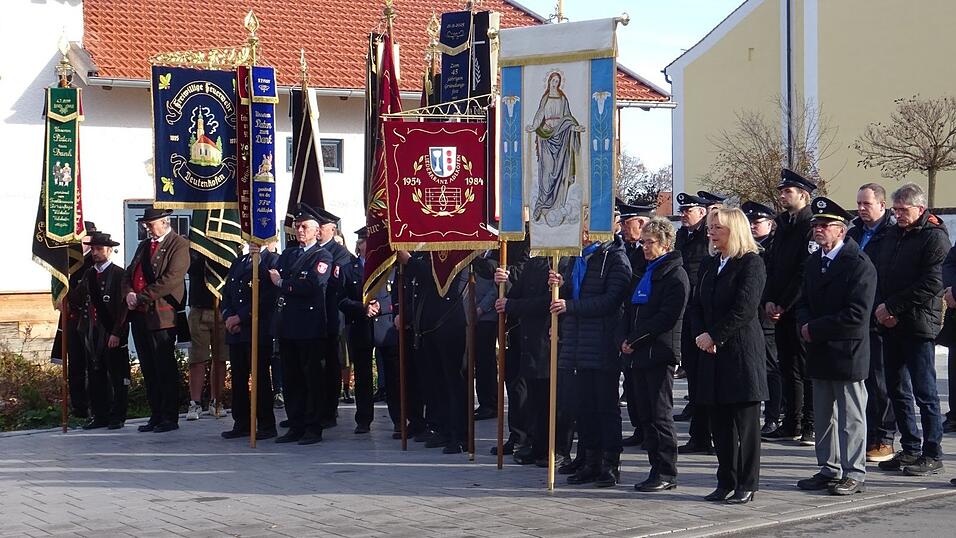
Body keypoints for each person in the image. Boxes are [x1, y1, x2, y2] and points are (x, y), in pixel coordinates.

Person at [795, 197, 876, 496]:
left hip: (847, 351)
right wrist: (804, 323)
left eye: (825, 225)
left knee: (851, 416)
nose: (818, 229)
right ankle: (829, 468)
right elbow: (803, 301)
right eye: (816, 224)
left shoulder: (858, 264)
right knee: (823, 414)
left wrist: (814, 328)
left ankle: (854, 472)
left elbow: (857, 314)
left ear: (841, 230)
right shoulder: (814, 262)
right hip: (819, 350)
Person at [692, 207, 767, 505]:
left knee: (745, 425)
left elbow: (744, 308)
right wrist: (702, 335)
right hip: (711, 354)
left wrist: (715, 335)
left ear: (734, 231)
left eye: (717, 228)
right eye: (710, 228)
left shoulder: (750, 263)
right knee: (720, 424)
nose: (711, 233)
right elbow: (696, 304)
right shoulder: (710, 264)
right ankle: (726, 480)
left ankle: (747, 483)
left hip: (740, 354)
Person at [549, 218, 631, 487]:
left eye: (585, 229)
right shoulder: (578, 258)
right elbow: (576, 293)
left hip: (602, 342)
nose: (581, 234)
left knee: (605, 407)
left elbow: (611, 301)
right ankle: (589, 460)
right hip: (578, 343)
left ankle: (610, 464)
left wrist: (570, 306)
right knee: (583, 406)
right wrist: (561, 285)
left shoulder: (615, 259)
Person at [874, 183, 949, 476]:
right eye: (895, 210)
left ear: (919, 208)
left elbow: (932, 282)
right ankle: (909, 448)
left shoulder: (934, 237)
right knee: (897, 389)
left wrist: (893, 307)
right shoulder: (893, 234)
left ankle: (932, 452)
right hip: (890, 323)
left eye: (903, 210)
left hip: (918, 324)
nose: (898, 215)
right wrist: (883, 309)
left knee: (924, 392)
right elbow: (880, 273)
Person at [620, 217, 689, 492]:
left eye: (650, 243)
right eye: (643, 242)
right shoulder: (643, 271)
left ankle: (667, 471)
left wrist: (635, 339)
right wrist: (624, 338)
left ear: (665, 244)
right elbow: (629, 308)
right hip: (637, 353)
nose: (645, 247)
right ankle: (654, 468)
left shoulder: (675, 274)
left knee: (660, 415)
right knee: (645, 414)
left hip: (658, 353)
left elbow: (666, 316)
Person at [269, 204, 334, 445]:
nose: (300, 230)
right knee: (292, 378)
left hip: (309, 326)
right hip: (288, 325)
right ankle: (295, 424)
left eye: (304, 226)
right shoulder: (288, 255)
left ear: (317, 231)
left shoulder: (322, 256)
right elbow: (274, 273)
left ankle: (313, 427)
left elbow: (312, 285)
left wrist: (282, 283)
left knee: (312, 378)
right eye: (297, 226)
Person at [763, 169, 817, 446]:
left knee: (805, 368)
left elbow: (803, 271)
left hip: (799, 308)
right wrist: (769, 299)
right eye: (782, 191)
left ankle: (810, 424)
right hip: (780, 309)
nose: (783, 196)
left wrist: (784, 303)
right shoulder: (783, 223)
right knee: (787, 367)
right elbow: (772, 266)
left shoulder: (810, 225)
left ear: (803, 195)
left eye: (788, 191)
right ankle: (791, 422)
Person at [124, 207, 190, 433]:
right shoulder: (144, 246)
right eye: (146, 224)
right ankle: (156, 414)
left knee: (164, 367)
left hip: (162, 316)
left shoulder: (179, 245)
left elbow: (171, 279)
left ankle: (169, 417)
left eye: (151, 224)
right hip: (140, 314)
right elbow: (129, 273)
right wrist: (128, 292)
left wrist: (140, 297)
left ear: (164, 222)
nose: (147, 228)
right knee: (149, 367)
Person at [847, 183, 899, 463]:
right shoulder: (854, 233)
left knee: (881, 381)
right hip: (857, 317)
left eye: (866, 204)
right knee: (863, 380)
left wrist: (886, 307)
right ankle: (867, 435)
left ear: (882, 205)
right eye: (858, 204)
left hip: (879, 315)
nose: (861, 209)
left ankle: (885, 438)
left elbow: (889, 275)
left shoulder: (891, 233)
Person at [399, 250, 469, 454]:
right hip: (430, 328)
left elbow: (438, 273)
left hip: (449, 325)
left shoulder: (456, 250)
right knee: (437, 383)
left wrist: (409, 261)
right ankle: (443, 428)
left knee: (453, 383)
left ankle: (460, 434)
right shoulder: (426, 254)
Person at [220, 241, 279, 440]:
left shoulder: (272, 261)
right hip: (236, 331)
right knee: (238, 377)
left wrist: (241, 317)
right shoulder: (239, 262)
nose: (253, 242)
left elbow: (267, 297)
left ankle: (266, 424)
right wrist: (228, 316)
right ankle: (242, 423)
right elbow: (227, 293)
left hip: (256, 329)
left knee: (260, 378)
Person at [673, 192, 713, 455]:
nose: (684, 215)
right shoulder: (682, 236)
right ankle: (698, 434)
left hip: (702, 310)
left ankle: (705, 434)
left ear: (702, 212)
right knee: (693, 373)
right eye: (682, 211)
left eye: (689, 210)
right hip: (686, 310)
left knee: (704, 377)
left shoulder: (706, 237)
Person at [78, 232, 130, 430]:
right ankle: (100, 415)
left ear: (109, 250)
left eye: (99, 249)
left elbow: (123, 308)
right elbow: (78, 298)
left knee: (117, 376)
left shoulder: (119, 274)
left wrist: (117, 332)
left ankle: (118, 415)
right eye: (93, 249)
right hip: (92, 332)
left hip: (112, 332)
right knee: (95, 375)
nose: (95, 253)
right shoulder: (89, 274)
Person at [616, 200, 654, 448]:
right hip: (627, 323)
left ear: (641, 223)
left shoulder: (650, 255)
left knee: (648, 389)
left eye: (626, 222)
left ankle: (650, 432)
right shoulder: (628, 249)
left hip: (646, 330)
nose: (621, 228)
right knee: (631, 382)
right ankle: (639, 428)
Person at [742, 201, 781, 435]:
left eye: (757, 222)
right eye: (749, 223)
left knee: (770, 368)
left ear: (770, 223)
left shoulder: (773, 248)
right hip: (750, 316)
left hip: (766, 315)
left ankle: (773, 416)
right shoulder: (747, 249)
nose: (752, 226)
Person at [528, 71, 584, 226]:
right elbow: (540, 114)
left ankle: (556, 205)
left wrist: (575, 127)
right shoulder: (545, 98)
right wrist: (534, 126)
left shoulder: (563, 99)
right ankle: (542, 202)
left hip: (561, 137)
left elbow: (567, 117)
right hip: (546, 136)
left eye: (557, 81)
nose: (555, 84)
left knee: (559, 172)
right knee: (547, 171)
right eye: (553, 81)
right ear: (549, 82)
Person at [56, 221, 97, 419]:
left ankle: (96, 406)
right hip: (73, 319)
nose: (81, 241)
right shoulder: (69, 261)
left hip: (91, 320)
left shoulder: (94, 261)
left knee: (94, 364)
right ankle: (79, 407)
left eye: (84, 237)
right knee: (76, 364)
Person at [339, 228, 377, 433]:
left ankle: (400, 419)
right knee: (363, 375)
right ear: (360, 245)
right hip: (359, 325)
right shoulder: (348, 269)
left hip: (384, 324)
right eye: (365, 242)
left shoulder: (385, 265)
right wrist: (362, 308)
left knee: (394, 372)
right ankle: (363, 419)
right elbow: (341, 300)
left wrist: (379, 307)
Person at [316, 213, 352, 428]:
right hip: (311, 318)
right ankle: (313, 410)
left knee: (329, 364)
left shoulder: (339, 253)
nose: (318, 229)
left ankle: (329, 411)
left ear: (332, 229)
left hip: (331, 315)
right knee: (311, 365)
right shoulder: (312, 251)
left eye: (322, 226)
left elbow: (335, 284)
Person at [185, 250, 228, 420]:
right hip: (199, 307)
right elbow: (191, 268)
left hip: (222, 309)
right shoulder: (195, 247)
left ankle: (216, 401)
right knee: (197, 359)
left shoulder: (226, 245)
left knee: (220, 358)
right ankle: (194, 403)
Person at [472, 270, 499, 421]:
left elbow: (496, 288)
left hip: (487, 316)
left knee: (485, 361)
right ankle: (483, 402)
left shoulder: (493, 259)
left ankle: (489, 404)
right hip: (467, 313)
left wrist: (481, 308)